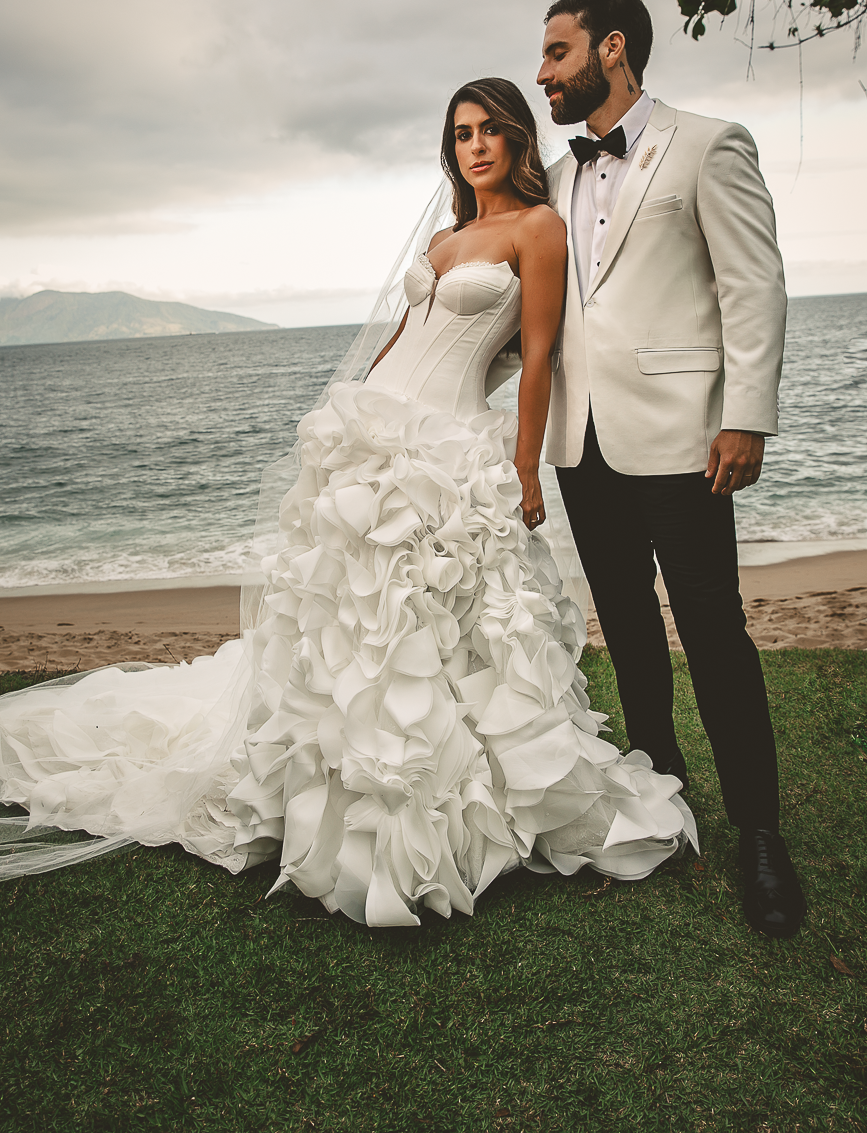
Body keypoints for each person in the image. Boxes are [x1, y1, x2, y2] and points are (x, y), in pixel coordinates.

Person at [0, 78, 696, 926]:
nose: (474, 146)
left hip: (446, 448)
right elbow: (402, 339)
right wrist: (348, 421)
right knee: (347, 621)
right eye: (460, 134)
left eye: (489, 131)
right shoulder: (447, 236)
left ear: (517, 141)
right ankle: (325, 780)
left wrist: (522, 467)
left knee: (425, 623)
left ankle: (425, 794)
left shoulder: (535, 228)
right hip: (373, 435)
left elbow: (539, 355)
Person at [536, 0, 806, 939]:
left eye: (558, 53)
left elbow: (753, 286)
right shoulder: (556, 178)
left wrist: (746, 417)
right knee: (628, 633)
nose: (543, 74)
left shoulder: (707, 144)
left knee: (715, 635)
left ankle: (761, 838)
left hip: (686, 440)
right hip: (584, 445)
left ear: (613, 50)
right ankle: (660, 803)